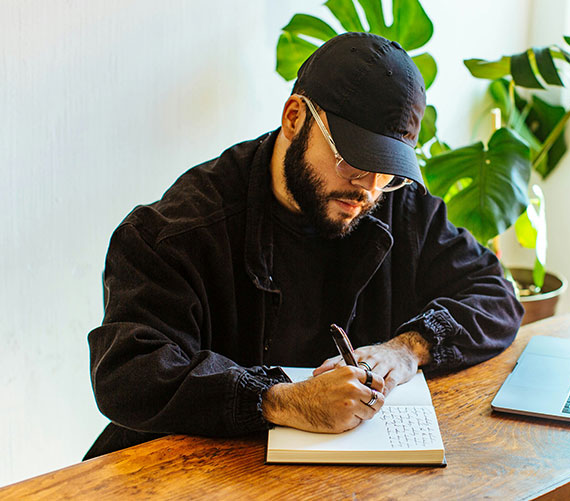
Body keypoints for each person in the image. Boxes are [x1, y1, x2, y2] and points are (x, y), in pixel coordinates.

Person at [84, 32, 523, 459]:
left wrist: (408, 348)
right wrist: (281, 401)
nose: (368, 190)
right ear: (294, 117)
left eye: (386, 169)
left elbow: (496, 293)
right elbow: (128, 372)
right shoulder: (181, 229)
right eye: (353, 159)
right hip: (195, 475)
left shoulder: (396, 205)